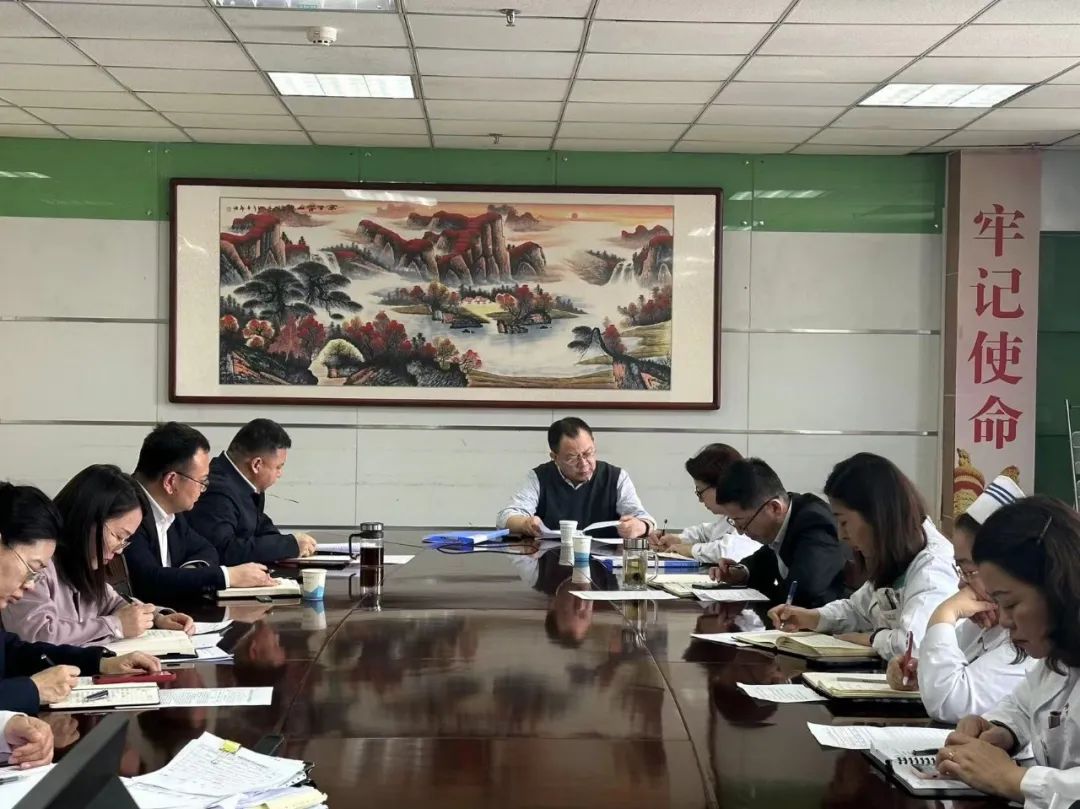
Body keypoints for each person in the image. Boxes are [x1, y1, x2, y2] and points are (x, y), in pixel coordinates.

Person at [936, 496, 1080, 808]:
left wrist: (1013, 779)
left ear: (1058, 587)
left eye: (1011, 603)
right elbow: (1024, 705)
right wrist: (1000, 731)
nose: (1003, 620)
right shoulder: (1058, 655)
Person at [768, 453, 958, 659]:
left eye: (844, 522)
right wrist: (812, 618)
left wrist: (872, 638)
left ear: (876, 515)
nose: (841, 535)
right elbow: (859, 609)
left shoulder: (932, 569)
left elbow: (912, 645)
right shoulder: (897, 555)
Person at [0, 483, 162, 715]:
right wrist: (32, 690)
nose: (30, 584)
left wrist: (99, 662)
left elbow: (13, 651)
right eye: (32, 569)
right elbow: (37, 637)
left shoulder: (81, 567)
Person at [885, 475, 1035, 722]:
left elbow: (949, 702)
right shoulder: (982, 623)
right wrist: (917, 670)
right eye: (960, 570)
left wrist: (943, 615)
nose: (961, 584)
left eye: (969, 571)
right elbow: (938, 670)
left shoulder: (1028, 638)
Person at [3, 465, 196, 645]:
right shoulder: (36, 567)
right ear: (87, 519)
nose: (120, 549)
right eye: (118, 536)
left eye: (126, 540)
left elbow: (116, 603)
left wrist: (157, 617)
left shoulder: (82, 564)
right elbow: (39, 635)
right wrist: (116, 625)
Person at [125, 422, 274, 603]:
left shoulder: (172, 511)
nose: (203, 489)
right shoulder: (125, 510)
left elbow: (206, 549)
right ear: (171, 481)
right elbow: (149, 580)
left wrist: (186, 576)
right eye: (202, 482)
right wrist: (228, 576)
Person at [705, 458, 849, 608]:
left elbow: (802, 592)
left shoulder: (815, 524)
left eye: (742, 523)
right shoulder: (787, 517)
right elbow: (768, 556)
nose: (740, 532)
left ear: (774, 508)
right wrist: (741, 572)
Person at [497, 417, 654, 540]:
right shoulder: (539, 477)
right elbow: (504, 518)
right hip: (551, 561)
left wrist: (640, 527)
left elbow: (644, 518)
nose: (584, 464)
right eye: (572, 458)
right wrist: (525, 523)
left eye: (588, 453)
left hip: (604, 564)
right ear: (555, 457)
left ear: (594, 444)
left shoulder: (616, 477)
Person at [188, 419, 317, 565]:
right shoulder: (216, 491)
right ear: (256, 465)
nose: (280, 474)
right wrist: (288, 545)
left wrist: (290, 543)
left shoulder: (242, 483)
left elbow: (260, 526)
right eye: (278, 467)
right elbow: (223, 551)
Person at [649, 443, 758, 563]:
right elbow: (706, 533)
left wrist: (690, 550)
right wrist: (678, 539)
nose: (700, 500)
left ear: (720, 486)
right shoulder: (729, 517)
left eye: (700, 491)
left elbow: (728, 551)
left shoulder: (751, 514)